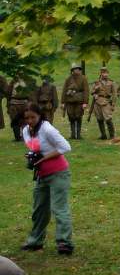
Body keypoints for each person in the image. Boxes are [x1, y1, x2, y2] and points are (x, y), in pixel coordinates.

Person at [20, 103, 74, 255]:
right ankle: (35, 241)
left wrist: (44, 158)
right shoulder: (26, 130)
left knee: (59, 208)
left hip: (58, 173)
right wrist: (32, 156)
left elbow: (65, 147)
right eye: (27, 118)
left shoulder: (47, 128)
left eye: (33, 117)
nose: (30, 120)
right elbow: (34, 147)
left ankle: (65, 242)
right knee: (39, 209)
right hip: (41, 175)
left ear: (39, 115)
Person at [61, 63, 89, 140]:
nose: (76, 70)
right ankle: (73, 134)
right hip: (69, 101)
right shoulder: (68, 79)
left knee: (78, 117)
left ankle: (78, 135)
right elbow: (64, 90)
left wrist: (85, 102)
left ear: (80, 70)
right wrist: (63, 102)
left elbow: (86, 91)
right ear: (72, 70)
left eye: (78, 69)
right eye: (74, 69)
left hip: (79, 101)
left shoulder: (83, 78)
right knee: (71, 117)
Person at [8, 73, 37, 142]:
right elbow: (8, 92)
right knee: (14, 121)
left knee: (25, 121)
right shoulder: (13, 81)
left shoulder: (28, 81)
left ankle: (25, 137)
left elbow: (32, 94)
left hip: (24, 104)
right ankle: (17, 137)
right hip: (13, 104)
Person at [91, 67, 117, 140]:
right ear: (101, 74)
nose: (105, 74)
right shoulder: (97, 82)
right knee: (99, 119)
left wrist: (113, 105)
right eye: (103, 73)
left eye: (106, 73)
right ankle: (103, 135)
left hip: (106, 102)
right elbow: (92, 92)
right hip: (97, 102)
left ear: (108, 73)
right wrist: (95, 93)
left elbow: (114, 94)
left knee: (108, 119)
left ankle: (112, 135)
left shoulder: (111, 82)